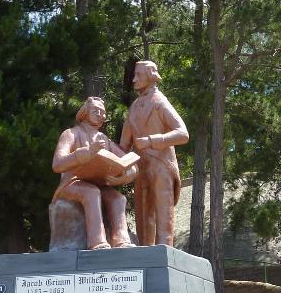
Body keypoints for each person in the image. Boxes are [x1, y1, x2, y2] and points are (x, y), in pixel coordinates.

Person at [52, 97, 137, 249]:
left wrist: (124, 176)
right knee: (91, 192)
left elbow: (130, 162)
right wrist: (86, 152)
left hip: (98, 181)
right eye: (95, 111)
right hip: (72, 183)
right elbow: (57, 164)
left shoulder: (104, 139)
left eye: (103, 112)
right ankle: (97, 242)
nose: (100, 114)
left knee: (118, 198)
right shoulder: (71, 134)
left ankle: (121, 241)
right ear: (85, 112)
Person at [121, 60, 189, 246]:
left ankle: (165, 251)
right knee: (143, 217)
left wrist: (152, 141)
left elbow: (183, 133)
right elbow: (123, 146)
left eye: (138, 75)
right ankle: (144, 256)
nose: (134, 79)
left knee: (163, 215)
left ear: (150, 77)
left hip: (161, 165)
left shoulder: (160, 102)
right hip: (140, 168)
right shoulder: (134, 107)